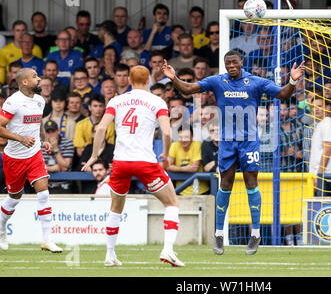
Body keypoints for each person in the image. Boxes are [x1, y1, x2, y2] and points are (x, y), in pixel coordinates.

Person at [162, 50, 305, 255]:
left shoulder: (256, 82)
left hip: (249, 142)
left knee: (251, 183)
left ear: (241, 62)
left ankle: (255, 234)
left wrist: (292, 80)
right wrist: (173, 78)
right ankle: (219, 234)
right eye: (227, 63)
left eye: (234, 62)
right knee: (225, 184)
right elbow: (187, 90)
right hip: (227, 143)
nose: (231, 66)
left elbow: (283, 94)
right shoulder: (218, 81)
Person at [82, 65, 184, 267]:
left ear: (129, 79)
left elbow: (101, 127)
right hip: (145, 161)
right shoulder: (156, 101)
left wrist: (94, 155)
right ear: (148, 81)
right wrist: (165, 153)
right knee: (172, 203)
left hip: (120, 162)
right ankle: (168, 250)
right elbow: (166, 132)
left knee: (115, 208)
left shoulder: (116, 101)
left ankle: (110, 255)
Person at [0, 68, 62, 253]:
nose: (39, 79)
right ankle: (2, 229)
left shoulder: (40, 100)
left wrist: (44, 140)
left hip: (34, 154)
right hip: (14, 157)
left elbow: (38, 121)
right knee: (14, 198)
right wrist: (21, 138)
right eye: (35, 77)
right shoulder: (13, 102)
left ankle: (47, 239)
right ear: (24, 82)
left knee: (43, 193)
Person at [166, 125, 209, 195]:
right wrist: (186, 168)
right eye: (180, 137)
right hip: (180, 191)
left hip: (200, 191)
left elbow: (194, 168)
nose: (183, 140)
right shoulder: (174, 145)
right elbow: (167, 166)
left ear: (192, 137)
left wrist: (175, 168)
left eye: (186, 137)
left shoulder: (197, 144)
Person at [0, 20, 42, 84]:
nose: (21, 33)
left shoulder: (36, 48)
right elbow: (2, 71)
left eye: (23, 30)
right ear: (13, 32)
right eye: (18, 30)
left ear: (27, 31)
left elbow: (39, 66)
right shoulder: (5, 50)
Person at [41, 120, 74, 194]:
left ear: (58, 131)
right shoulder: (40, 144)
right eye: (47, 132)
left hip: (64, 185)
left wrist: (55, 148)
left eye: (53, 131)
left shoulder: (67, 142)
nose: (50, 134)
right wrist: (52, 168)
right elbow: (36, 167)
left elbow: (64, 167)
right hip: (44, 186)